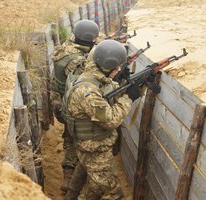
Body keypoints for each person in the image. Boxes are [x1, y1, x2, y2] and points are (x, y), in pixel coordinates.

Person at [62, 40, 140, 199]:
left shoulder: (93, 77)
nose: (118, 69)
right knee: (111, 193)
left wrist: (129, 85)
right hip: (93, 148)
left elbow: (108, 95)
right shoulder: (87, 91)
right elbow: (110, 119)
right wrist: (129, 98)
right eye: (116, 67)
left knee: (87, 175)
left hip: (90, 145)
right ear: (107, 66)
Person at [51, 19, 99, 194]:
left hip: (60, 103)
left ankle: (68, 176)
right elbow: (86, 80)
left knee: (69, 137)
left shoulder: (64, 49)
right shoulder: (77, 61)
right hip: (72, 106)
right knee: (80, 140)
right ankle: (73, 180)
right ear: (89, 40)